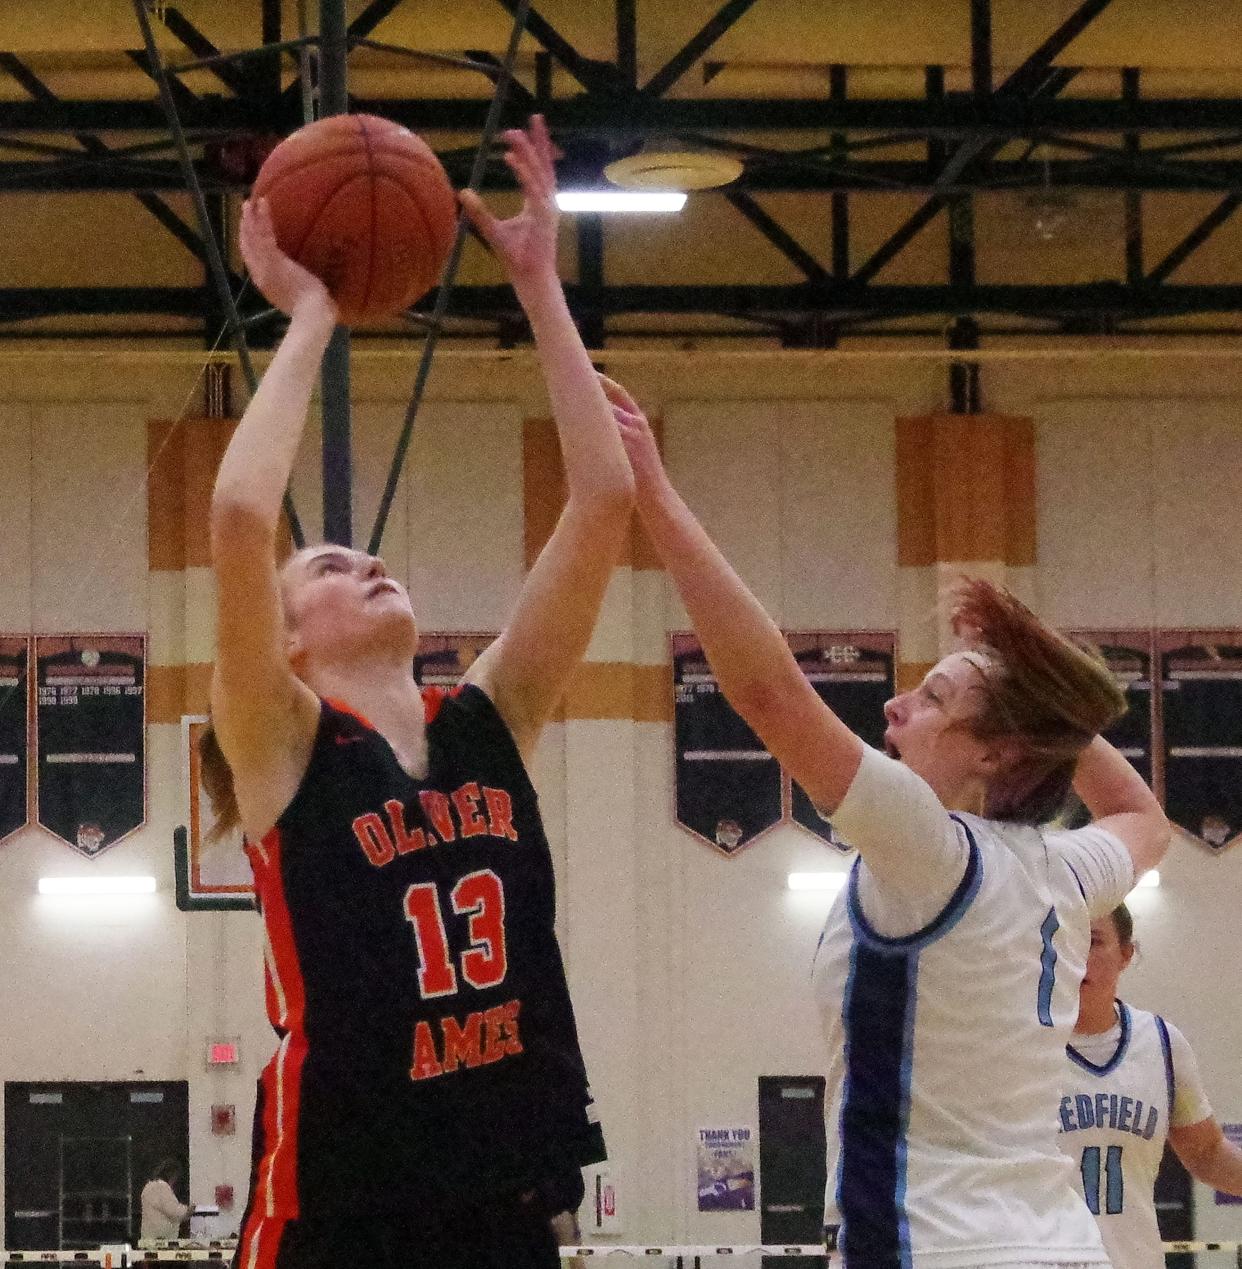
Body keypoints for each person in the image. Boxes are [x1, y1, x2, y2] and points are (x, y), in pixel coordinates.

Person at [603, 379, 1170, 1269]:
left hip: (932, 1247)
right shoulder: (1064, 870)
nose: (898, 703)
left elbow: (766, 692)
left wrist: (658, 499)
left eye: (935, 697)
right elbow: (1144, 814)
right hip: (1061, 1247)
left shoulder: (933, 849)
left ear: (994, 755)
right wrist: (1044, 696)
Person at [205, 116, 633, 1269]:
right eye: (330, 569)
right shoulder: (288, 750)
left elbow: (603, 498)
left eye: (366, 555)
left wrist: (541, 287)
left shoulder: (491, 724)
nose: (367, 563)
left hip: (501, 1192)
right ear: (288, 646)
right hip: (340, 1203)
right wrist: (310, 314)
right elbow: (244, 520)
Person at [1063, 903, 1242, 1269]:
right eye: (1063, 937)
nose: (1076, 954)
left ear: (1126, 954)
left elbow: (1207, 1153)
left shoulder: (1161, 1042)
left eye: (1094, 941)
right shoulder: (1014, 1042)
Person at [139, 1159, 190, 1242]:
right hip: (160, 1240)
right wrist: (188, 1210)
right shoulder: (161, 1187)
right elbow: (173, 1210)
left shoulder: (148, 1187)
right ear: (172, 1175)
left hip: (149, 1238)